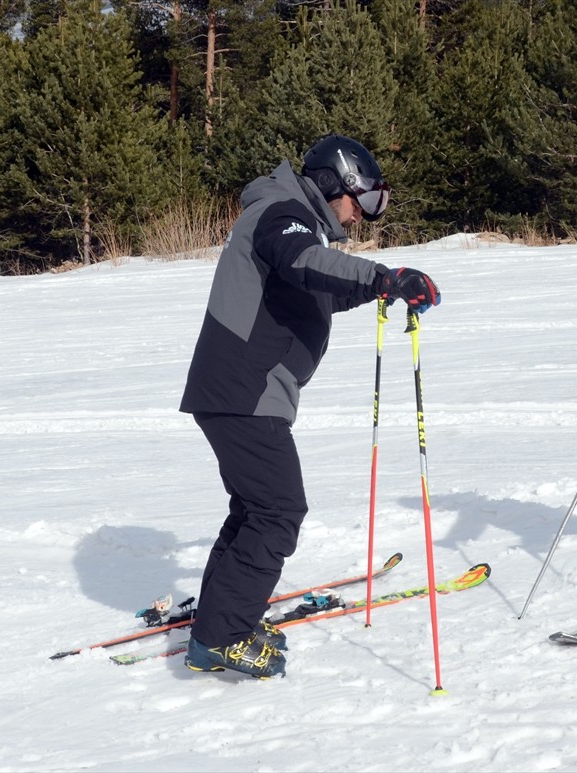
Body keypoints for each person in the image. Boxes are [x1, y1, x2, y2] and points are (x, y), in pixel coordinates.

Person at [179, 134, 440, 678]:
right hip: (244, 392)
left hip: (241, 392)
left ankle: (221, 621)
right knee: (278, 512)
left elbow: (316, 285)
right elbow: (305, 264)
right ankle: (219, 637)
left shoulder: (290, 219)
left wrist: (381, 289)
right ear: (332, 184)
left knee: (254, 510)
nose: (363, 215)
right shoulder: (282, 213)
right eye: (363, 200)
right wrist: (384, 277)